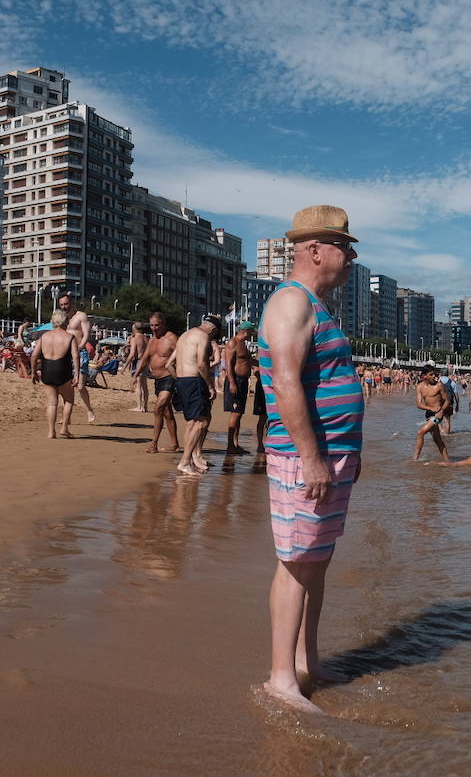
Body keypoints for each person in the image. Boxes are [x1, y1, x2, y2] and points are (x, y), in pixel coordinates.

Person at [258, 204, 365, 713]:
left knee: (316, 563)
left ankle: (307, 661)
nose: (351, 258)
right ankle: (281, 679)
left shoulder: (316, 306)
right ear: (315, 250)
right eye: (345, 247)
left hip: (331, 456)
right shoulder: (290, 302)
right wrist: (312, 459)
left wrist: (347, 453)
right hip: (305, 459)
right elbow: (284, 384)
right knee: (297, 564)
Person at [173, 314, 224, 475]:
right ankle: (185, 462)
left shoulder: (184, 335)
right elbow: (202, 364)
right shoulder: (203, 336)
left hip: (182, 381)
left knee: (192, 422)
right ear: (213, 329)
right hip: (194, 380)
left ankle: (189, 460)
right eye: (215, 334)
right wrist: (210, 386)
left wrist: (179, 380)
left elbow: (170, 363)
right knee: (201, 422)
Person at [31, 308, 79, 439]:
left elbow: (34, 355)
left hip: (47, 370)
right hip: (63, 370)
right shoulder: (70, 337)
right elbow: (75, 356)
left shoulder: (44, 336)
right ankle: (64, 428)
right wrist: (77, 374)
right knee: (69, 400)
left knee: (52, 403)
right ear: (65, 321)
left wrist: (34, 372)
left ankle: (51, 432)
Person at [145, 311, 181, 454]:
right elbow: (145, 357)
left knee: (158, 408)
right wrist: (135, 375)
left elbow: (183, 353)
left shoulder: (171, 338)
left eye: (156, 325)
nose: (154, 328)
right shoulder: (152, 340)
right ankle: (175, 445)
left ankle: (154, 444)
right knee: (167, 412)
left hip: (169, 377)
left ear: (163, 324)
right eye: (151, 325)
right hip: (157, 379)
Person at [56, 295, 96, 423]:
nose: (64, 307)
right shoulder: (61, 318)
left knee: (80, 386)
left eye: (66, 304)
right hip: (66, 354)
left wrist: (80, 347)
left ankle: (89, 409)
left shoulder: (81, 316)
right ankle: (66, 417)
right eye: (61, 305)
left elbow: (86, 334)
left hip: (80, 352)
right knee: (66, 387)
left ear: (71, 303)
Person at [222, 320, 258, 455]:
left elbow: (248, 361)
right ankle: (230, 445)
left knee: (239, 413)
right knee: (235, 413)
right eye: (251, 332)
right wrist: (232, 382)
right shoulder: (233, 343)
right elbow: (228, 364)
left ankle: (235, 444)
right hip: (235, 380)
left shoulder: (243, 344)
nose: (252, 335)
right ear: (246, 331)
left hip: (242, 381)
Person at [413, 365, 450, 461]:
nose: (434, 376)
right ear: (424, 376)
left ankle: (414, 460)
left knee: (420, 432)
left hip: (438, 414)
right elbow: (419, 404)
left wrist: (441, 411)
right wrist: (430, 408)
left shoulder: (439, 385)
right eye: (431, 374)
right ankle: (448, 461)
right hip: (429, 414)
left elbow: (447, 400)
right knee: (437, 440)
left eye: (434, 374)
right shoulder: (419, 387)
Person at [126, 321, 150, 412]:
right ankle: (145, 406)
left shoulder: (135, 338)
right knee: (144, 386)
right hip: (145, 362)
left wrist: (125, 366)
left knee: (138, 386)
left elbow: (132, 354)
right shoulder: (146, 338)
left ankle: (139, 406)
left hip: (138, 362)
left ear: (134, 329)